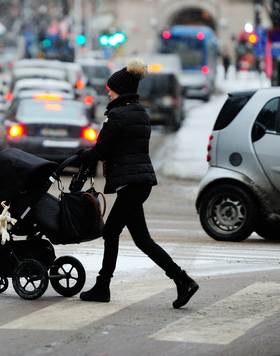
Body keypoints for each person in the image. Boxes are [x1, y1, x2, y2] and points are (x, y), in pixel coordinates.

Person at [77, 58, 199, 309]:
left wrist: (82, 155)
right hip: (138, 183)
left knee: (111, 232)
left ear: (119, 89)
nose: (108, 91)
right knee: (142, 240)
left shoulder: (118, 116)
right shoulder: (139, 113)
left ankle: (103, 286)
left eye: (110, 88)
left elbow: (102, 150)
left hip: (131, 185)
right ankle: (182, 280)